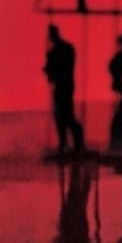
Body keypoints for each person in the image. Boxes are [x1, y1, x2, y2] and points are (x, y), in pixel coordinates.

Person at [44, 25, 85, 155]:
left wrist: (49, 66)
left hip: (63, 86)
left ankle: (68, 143)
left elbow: (57, 69)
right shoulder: (66, 48)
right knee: (64, 115)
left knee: (64, 115)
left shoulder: (58, 51)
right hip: (65, 85)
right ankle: (69, 143)